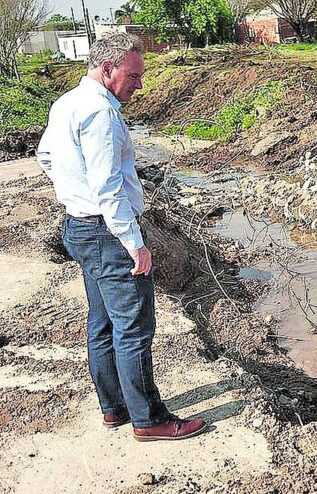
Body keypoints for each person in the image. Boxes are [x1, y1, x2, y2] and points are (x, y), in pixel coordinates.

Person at [36, 33, 207, 441]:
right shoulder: (100, 113)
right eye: (134, 75)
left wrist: (71, 188)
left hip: (80, 226)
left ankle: (114, 408)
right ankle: (150, 420)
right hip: (107, 233)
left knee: (102, 323)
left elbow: (45, 154)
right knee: (133, 328)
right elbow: (109, 188)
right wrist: (134, 243)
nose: (140, 83)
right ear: (108, 69)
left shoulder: (67, 103)